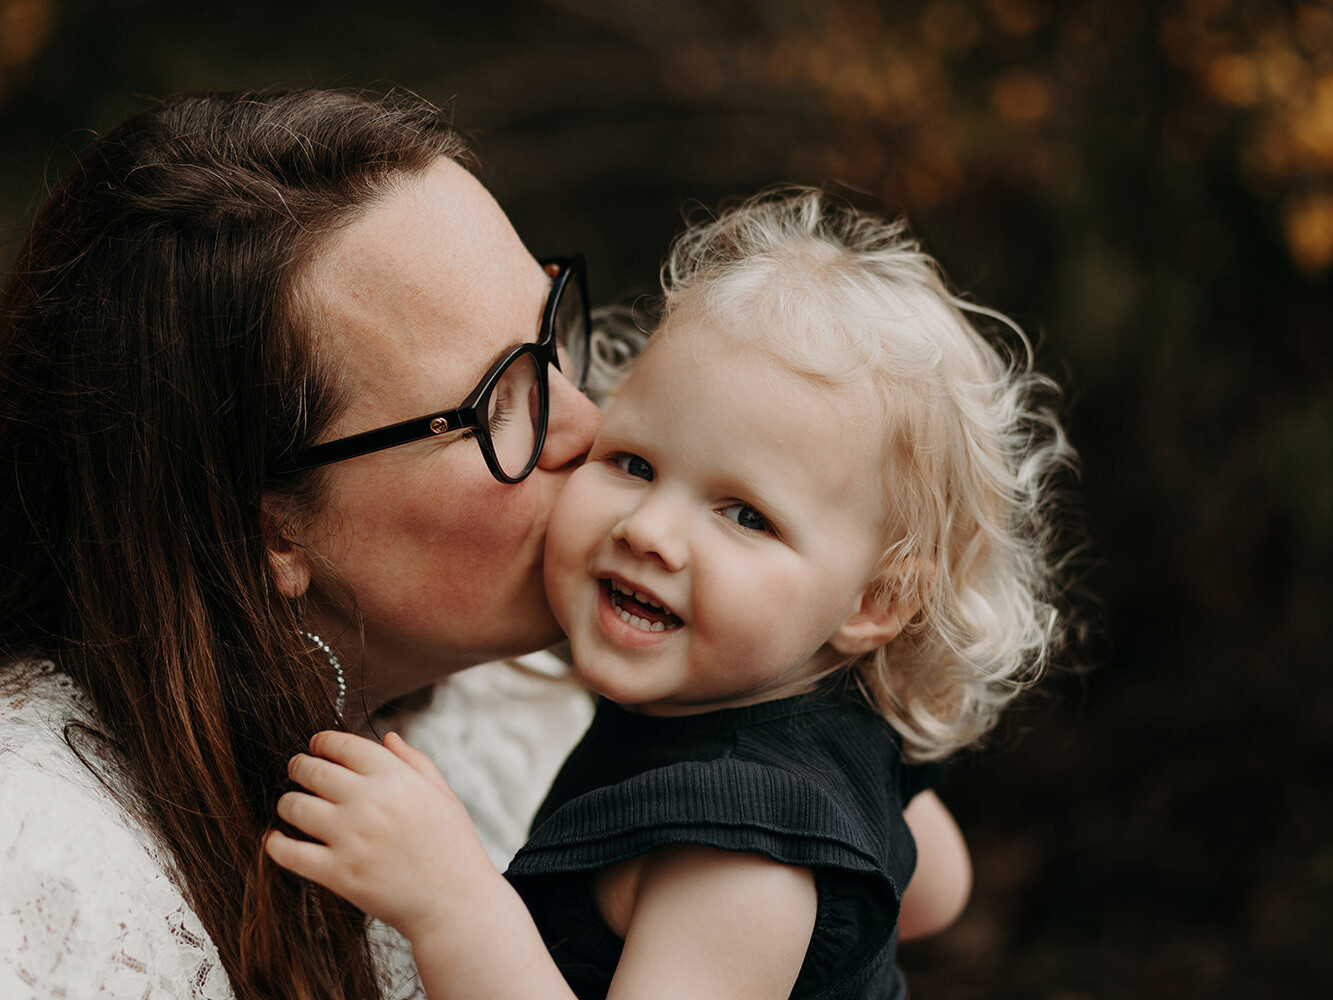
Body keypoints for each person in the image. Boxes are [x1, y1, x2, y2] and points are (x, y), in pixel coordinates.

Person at [264, 187, 1076, 998]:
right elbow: (936, 890)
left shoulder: (732, 861)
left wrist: (452, 907)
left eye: (744, 515)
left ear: (871, 604)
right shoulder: (822, 712)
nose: (650, 530)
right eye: (636, 464)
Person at [0, 88, 607, 1000]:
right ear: (271, 530)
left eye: (551, 340)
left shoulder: (516, 718)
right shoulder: (56, 892)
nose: (589, 424)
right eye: (498, 403)